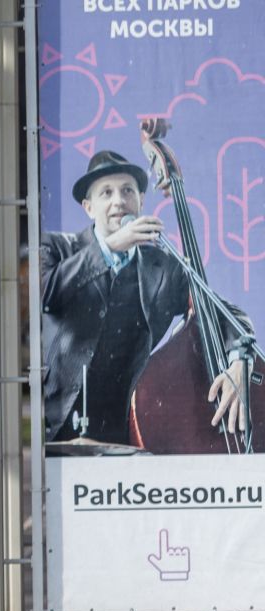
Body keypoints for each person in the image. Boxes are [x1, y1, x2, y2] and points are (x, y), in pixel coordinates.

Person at [42, 149, 251, 447]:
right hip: (59, 433)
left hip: (131, 435)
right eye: (106, 193)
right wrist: (111, 247)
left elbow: (224, 313)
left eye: (127, 190)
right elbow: (46, 292)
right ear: (89, 207)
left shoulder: (163, 266)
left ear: (141, 200)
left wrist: (239, 361)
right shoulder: (57, 248)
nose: (118, 201)